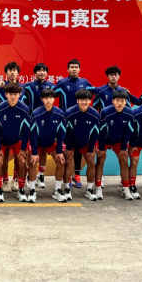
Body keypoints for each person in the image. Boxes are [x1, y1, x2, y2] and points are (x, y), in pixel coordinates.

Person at [53, 59, 95, 189]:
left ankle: (77, 175)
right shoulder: (61, 83)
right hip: (66, 121)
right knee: (68, 150)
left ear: (80, 69)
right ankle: (68, 177)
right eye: (72, 67)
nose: (74, 69)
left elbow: (98, 91)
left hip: (81, 120)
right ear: (67, 69)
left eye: (76, 67)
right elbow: (49, 95)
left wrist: (119, 90)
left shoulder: (85, 82)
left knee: (78, 149)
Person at [0, 83, 31, 203]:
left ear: (19, 95)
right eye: (10, 94)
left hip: (17, 140)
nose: (13, 97)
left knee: (22, 160)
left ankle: (20, 188)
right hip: (2, 141)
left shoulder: (24, 109)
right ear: (6, 95)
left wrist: (23, 149)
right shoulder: (0, 108)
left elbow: (26, 131)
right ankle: (0, 189)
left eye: (15, 94)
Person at [29, 88, 66, 203]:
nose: (48, 100)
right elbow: (33, 133)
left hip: (51, 143)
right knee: (32, 161)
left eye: (51, 98)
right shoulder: (36, 114)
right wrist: (34, 152)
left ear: (54, 99)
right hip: (37, 143)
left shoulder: (59, 113)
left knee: (61, 161)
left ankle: (57, 190)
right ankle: (32, 190)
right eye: (46, 98)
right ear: (42, 99)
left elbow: (61, 133)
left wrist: (59, 151)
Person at [97, 90, 136, 200]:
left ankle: (126, 188)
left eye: (122, 101)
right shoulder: (105, 112)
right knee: (100, 159)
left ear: (126, 102)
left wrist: (123, 148)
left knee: (124, 160)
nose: (119, 103)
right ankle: (98, 188)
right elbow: (101, 131)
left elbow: (128, 132)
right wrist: (101, 148)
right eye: (117, 100)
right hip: (105, 140)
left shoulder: (130, 113)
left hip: (119, 141)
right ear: (113, 101)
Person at [64, 89, 101, 201]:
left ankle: (89, 189)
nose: (84, 102)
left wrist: (90, 149)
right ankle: (66, 188)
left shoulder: (95, 114)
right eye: (81, 100)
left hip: (86, 142)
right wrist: (69, 147)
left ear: (90, 101)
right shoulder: (69, 113)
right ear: (77, 101)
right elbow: (66, 131)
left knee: (91, 161)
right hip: (71, 141)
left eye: (87, 100)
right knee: (68, 160)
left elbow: (95, 133)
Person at [23, 63, 54, 189]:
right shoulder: (28, 86)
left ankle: (40, 176)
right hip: (33, 122)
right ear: (35, 73)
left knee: (43, 151)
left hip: (47, 123)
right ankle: (28, 175)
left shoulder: (51, 86)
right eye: (39, 70)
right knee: (31, 151)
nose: (42, 72)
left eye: (44, 70)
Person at [0, 61, 26, 193]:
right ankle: (5, 180)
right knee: (5, 155)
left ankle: (16, 179)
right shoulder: (1, 88)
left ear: (18, 73)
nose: (12, 72)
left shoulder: (24, 88)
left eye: (14, 70)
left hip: (18, 128)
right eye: (10, 70)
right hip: (4, 128)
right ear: (6, 73)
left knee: (19, 157)